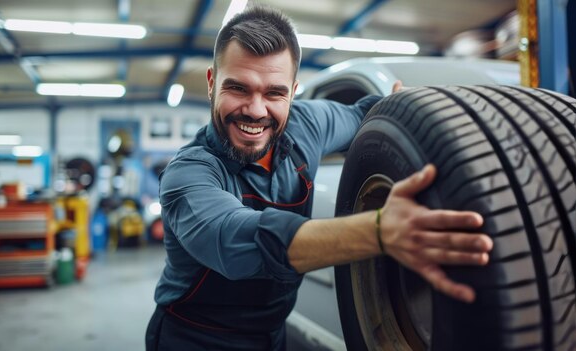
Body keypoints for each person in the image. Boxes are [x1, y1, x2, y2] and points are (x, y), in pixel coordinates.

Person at [145, 5, 493, 351]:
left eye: (274, 93)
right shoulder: (188, 174)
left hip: (271, 334)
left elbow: (365, 112)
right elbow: (236, 238)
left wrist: (407, 108)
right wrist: (379, 231)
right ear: (212, 83)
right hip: (195, 338)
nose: (255, 109)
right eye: (238, 89)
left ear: (293, 92)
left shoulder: (309, 124)